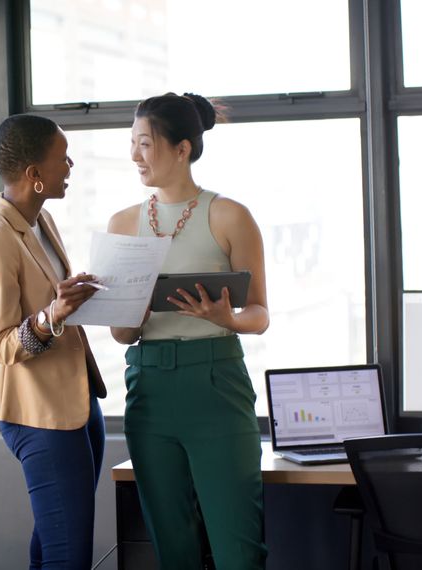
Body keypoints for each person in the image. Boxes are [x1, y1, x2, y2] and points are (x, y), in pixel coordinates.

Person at [108, 93, 270, 569]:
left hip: (217, 385)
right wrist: (128, 313)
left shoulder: (229, 215)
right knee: (172, 550)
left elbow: (260, 312)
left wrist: (228, 319)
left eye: (145, 143)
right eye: (132, 144)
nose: (135, 155)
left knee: (237, 549)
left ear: (182, 149)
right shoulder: (122, 224)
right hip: (148, 389)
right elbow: (121, 335)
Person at [0, 114, 108, 569]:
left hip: (77, 402)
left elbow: (54, 300)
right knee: (69, 557)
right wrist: (53, 314)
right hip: (40, 415)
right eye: (61, 158)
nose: (70, 166)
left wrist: (76, 296)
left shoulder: (40, 219)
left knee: (55, 545)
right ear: (34, 175)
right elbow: (2, 345)